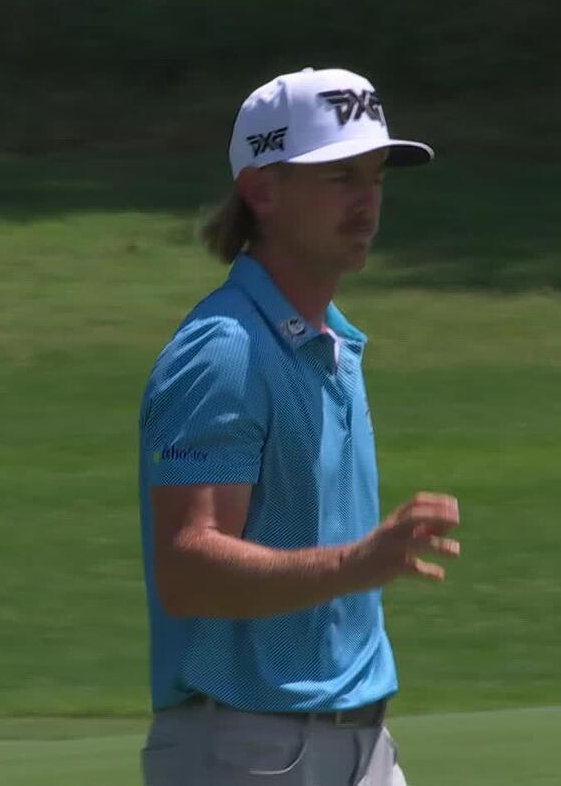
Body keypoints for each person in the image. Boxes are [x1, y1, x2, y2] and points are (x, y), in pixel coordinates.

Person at [136, 67, 462, 785]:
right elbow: (188, 569)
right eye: (339, 177)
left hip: (362, 743)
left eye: (375, 177)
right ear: (261, 191)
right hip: (248, 754)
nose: (368, 202)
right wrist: (358, 563)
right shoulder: (225, 350)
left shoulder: (332, 345)